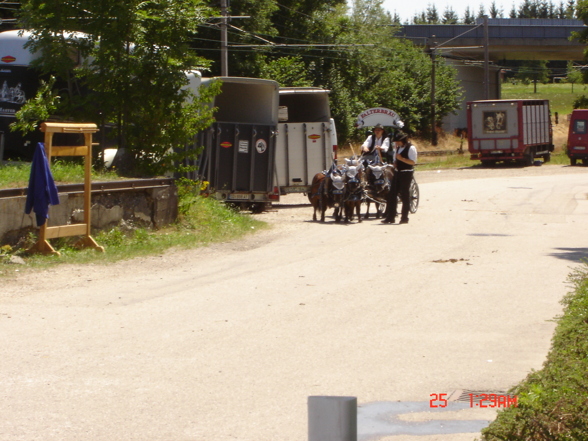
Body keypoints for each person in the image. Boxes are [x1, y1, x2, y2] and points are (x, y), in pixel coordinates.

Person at [382, 131, 417, 224]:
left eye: (398, 141)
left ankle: (404, 217)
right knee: (392, 194)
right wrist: (395, 163)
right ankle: (391, 217)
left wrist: (401, 159)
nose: (397, 143)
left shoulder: (411, 148)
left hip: (406, 173)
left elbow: (413, 162)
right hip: (397, 173)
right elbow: (395, 159)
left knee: (405, 195)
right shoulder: (398, 149)